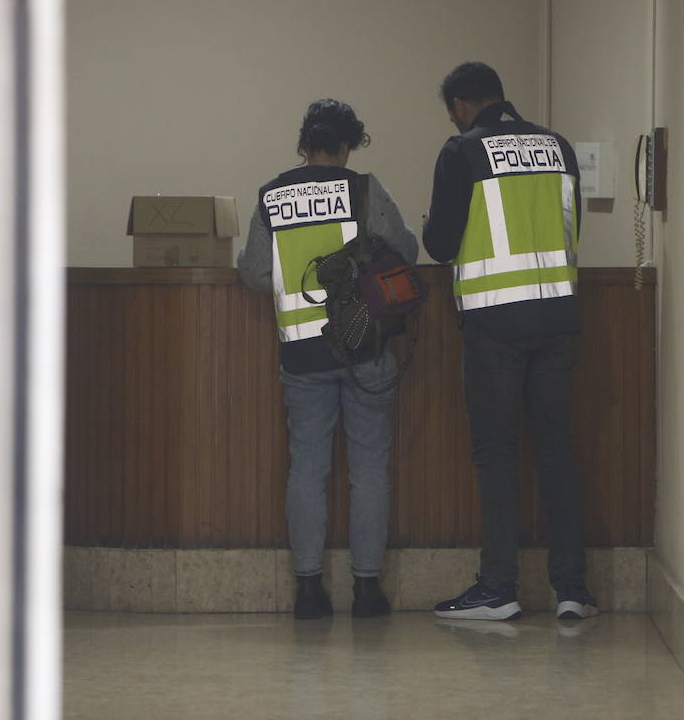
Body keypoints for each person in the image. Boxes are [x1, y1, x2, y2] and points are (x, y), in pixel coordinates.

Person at [423, 62, 597, 621]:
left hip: (495, 324)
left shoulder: (462, 152)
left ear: (460, 106)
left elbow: (442, 244)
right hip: (560, 319)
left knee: (496, 457)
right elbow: (575, 229)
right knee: (557, 453)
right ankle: (573, 589)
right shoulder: (559, 148)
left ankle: (498, 587)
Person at [238, 99, 418, 620]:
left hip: (303, 353)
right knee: (368, 472)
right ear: (345, 147)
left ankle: (309, 591)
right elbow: (405, 250)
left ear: (303, 144)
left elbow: (253, 270)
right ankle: (367, 591)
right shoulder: (363, 189)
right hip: (366, 348)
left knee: (308, 470)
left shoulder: (272, 196)